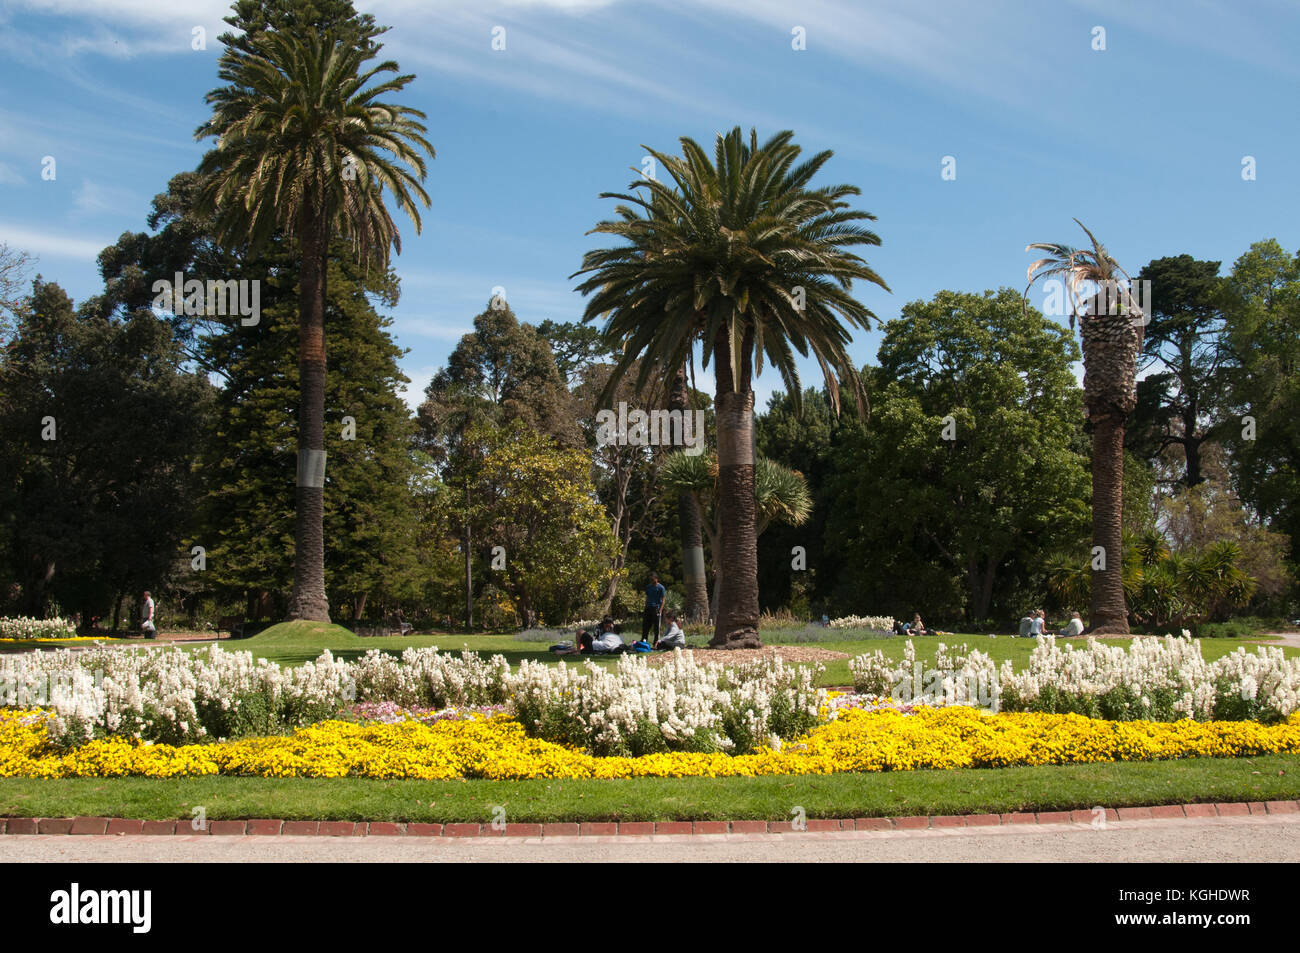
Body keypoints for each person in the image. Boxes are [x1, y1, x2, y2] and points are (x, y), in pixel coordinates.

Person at [642, 573, 666, 644]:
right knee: (645, 626)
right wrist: (645, 607)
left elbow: (663, 600)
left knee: (656, 628)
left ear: (656, 579)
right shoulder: (648, 587)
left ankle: (656, 643)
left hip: (656, 608)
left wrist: (660, 610)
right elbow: (647, 598)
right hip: (648, 608)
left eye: (653, 579)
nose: (651, 581)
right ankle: (644, 641)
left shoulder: (661, 588)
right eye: (650, 579)